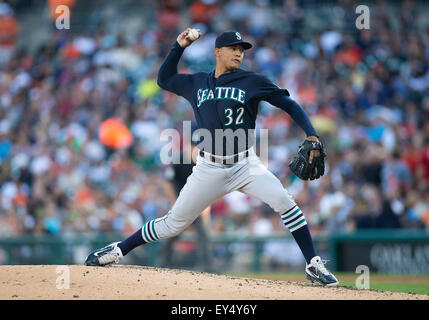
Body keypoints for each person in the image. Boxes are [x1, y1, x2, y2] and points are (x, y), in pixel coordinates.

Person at [85, 28, 339, 286]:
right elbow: (164, 79)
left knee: (285, 202)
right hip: (209, 167)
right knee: (173, 224)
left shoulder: (253, 81)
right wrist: (178, 46)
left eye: (242, 50)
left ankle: (313, 264)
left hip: (245, 164)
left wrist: (312, 134)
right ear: (218, 51)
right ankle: (118, 250)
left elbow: (289, 104)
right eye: (233, 48)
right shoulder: (197, 82)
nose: (239, 53)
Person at [159, 135, 214, 272]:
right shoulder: (179, 160)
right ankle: (163, 263)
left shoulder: (204, 163)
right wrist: (174, 203)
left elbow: (210, 188)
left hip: (197, 205)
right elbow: (167, 183)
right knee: (172, 231)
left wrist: (206, 207)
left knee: (204, 234)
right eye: (194, 147)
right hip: (179, 203)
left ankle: (207, 266)